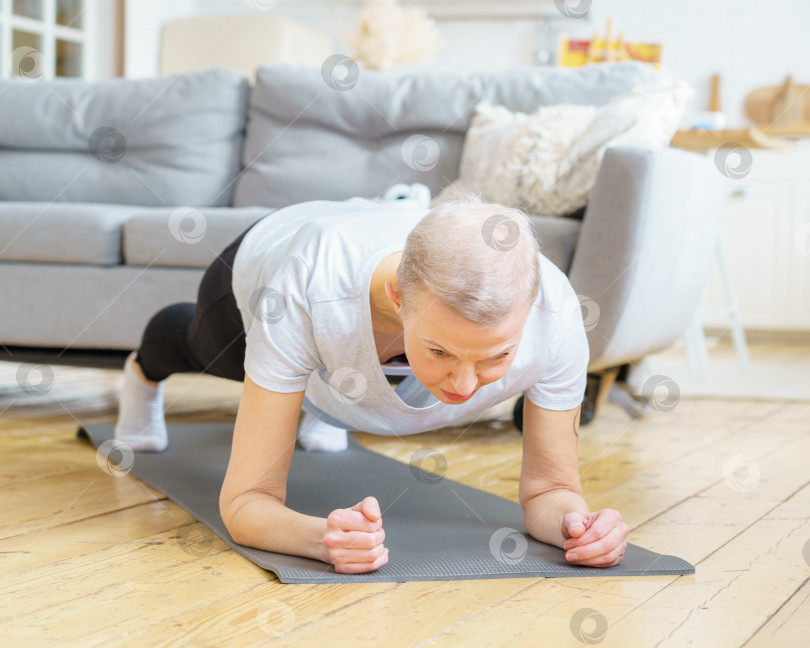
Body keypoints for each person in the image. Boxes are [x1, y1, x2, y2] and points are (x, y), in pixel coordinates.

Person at [113, 188, 629, 574]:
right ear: (398, 299)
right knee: (194, 344)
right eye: (441, 351)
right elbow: (247, 501)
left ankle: (335, 391)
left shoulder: (556, 317)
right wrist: (321, 539)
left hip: (375, 281)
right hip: (272, 252)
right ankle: (140, 377)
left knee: (355, 368)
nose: (466, 385)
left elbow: (552, 489)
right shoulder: (309, 287)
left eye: (496, 357)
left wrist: (576, 527)